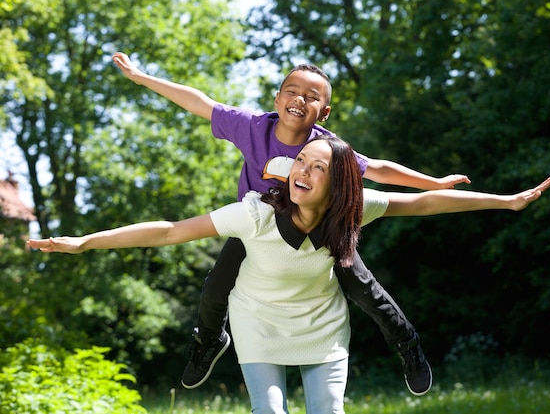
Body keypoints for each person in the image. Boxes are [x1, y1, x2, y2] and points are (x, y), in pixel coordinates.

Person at [27, 136, 550, 414]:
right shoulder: (255, 213)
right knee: (270, 411)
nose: (302, 170)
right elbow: (168, 231)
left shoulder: (356, 208)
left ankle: (408, 345)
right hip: (257, 323)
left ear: (339, 184)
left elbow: (424, 204)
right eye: (300, 160)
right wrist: (85, 241)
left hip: (322, 329)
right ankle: (206, 343)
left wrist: (506, 202)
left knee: (328, 410)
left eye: (318, 166)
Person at [112, 51, 472, 395]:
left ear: (324, 112)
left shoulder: (329, 149)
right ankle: (209, 340)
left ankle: (407, 344)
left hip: (319, 230)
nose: (300, 99)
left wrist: (433, 181)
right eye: (292, 91)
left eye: (311, 96)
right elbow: (199, 103)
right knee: (215, 286)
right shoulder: (251, 128)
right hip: (259, 231)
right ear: (277, 99)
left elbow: (377, 168)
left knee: (366, 290)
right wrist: (142, 78)